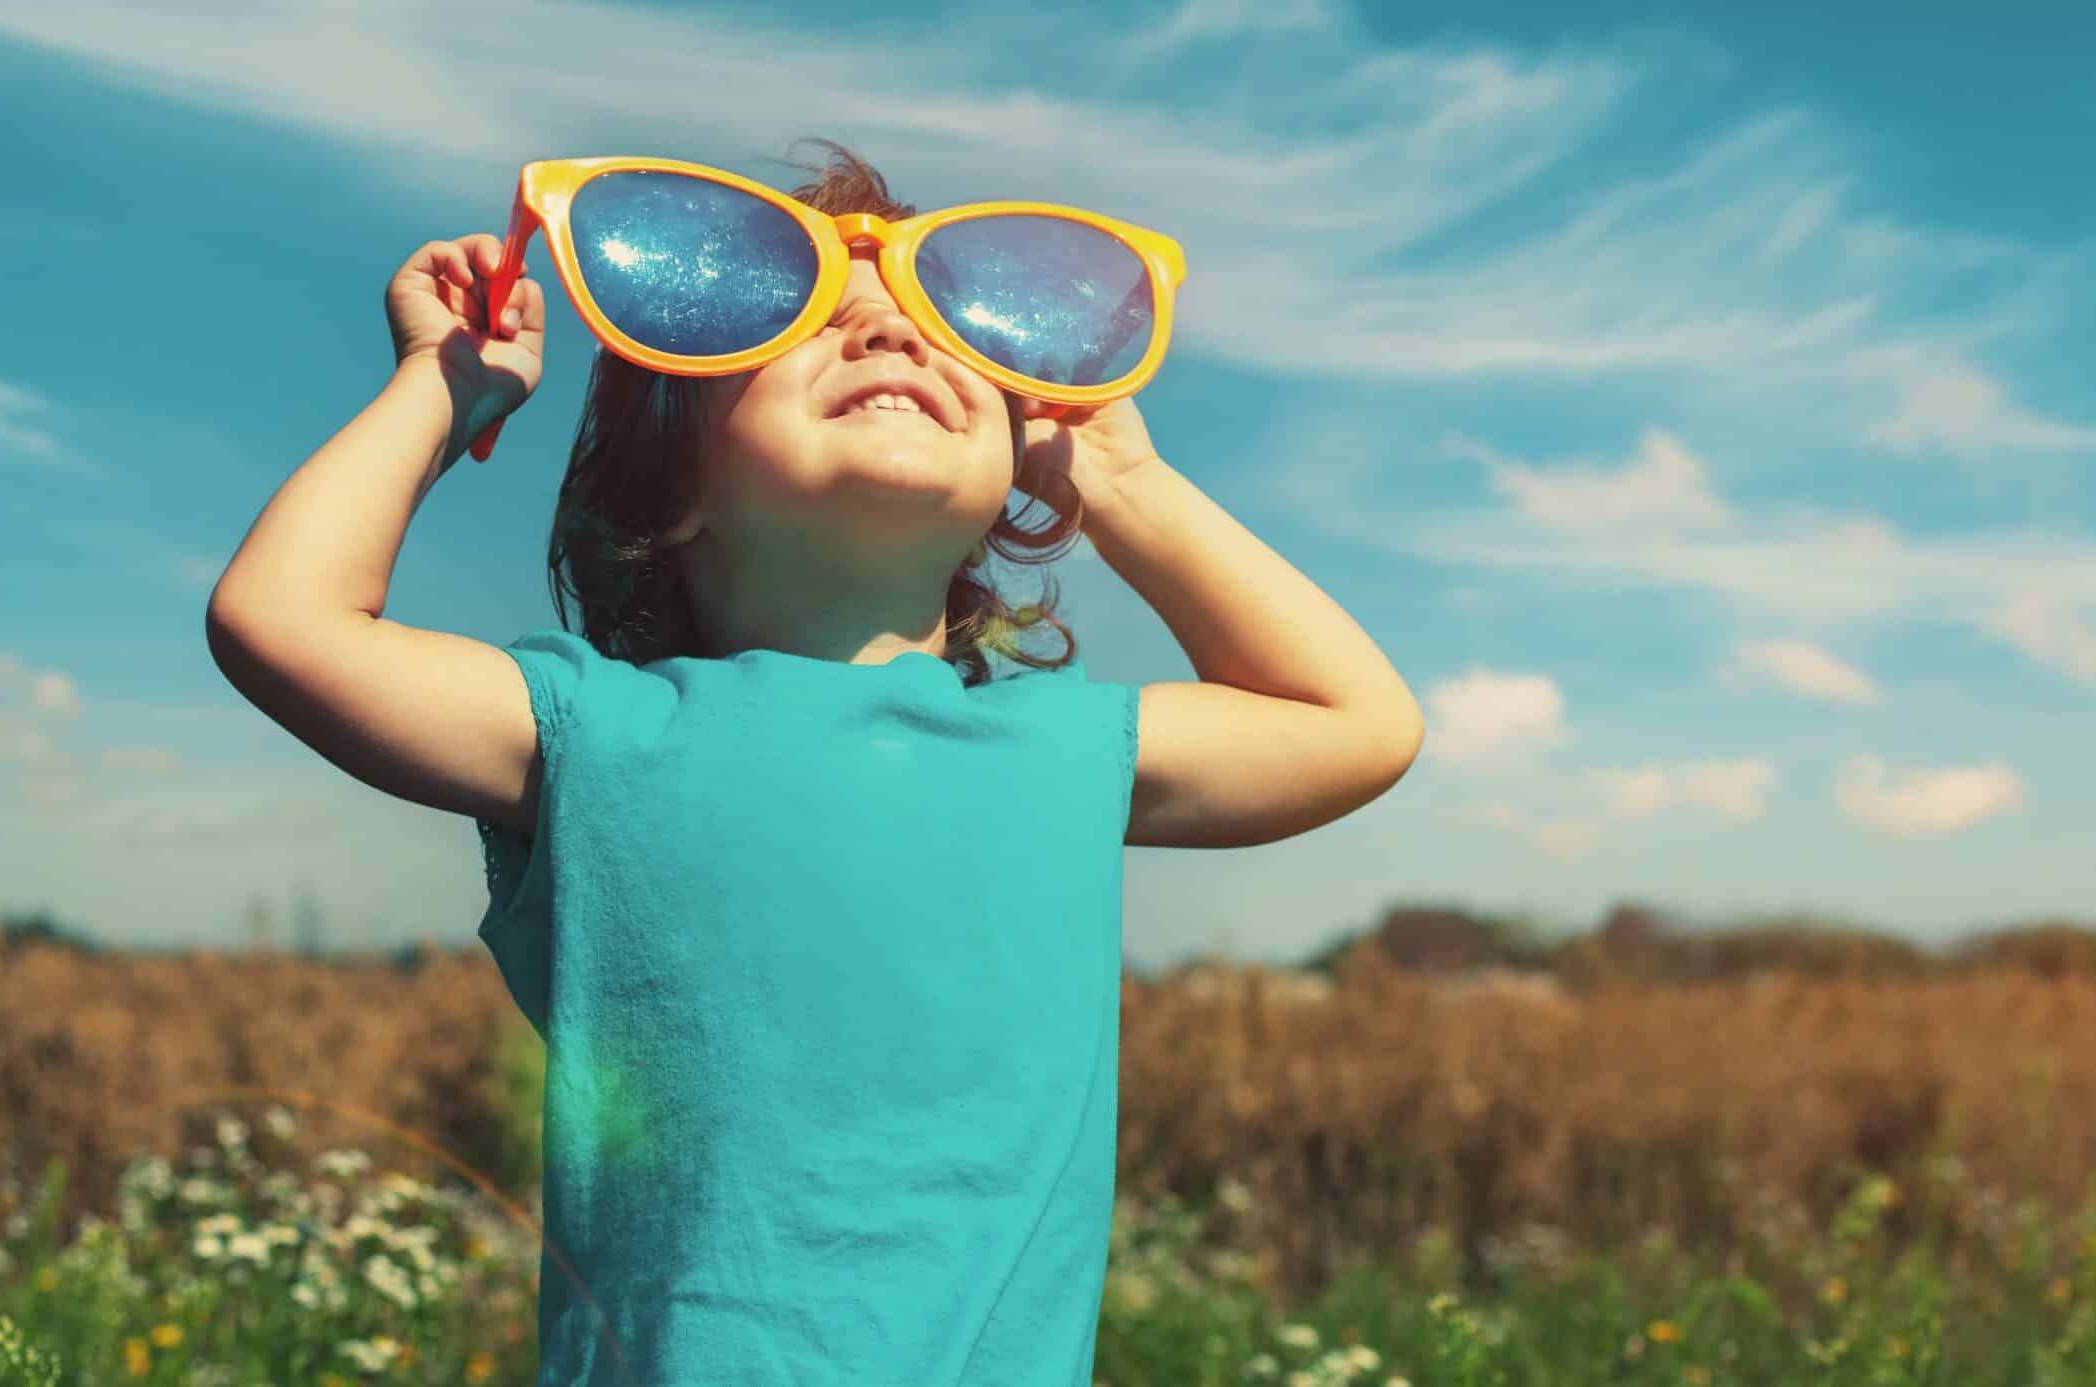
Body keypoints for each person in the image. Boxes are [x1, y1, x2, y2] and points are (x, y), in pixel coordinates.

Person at [203, 139, 1427, 1384]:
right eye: (815, 325)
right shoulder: (601, 729)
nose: (891, 337)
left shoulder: (1059, 746)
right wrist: (445, 383)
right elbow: (282, 623)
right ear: (667, 486)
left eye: (941, 338)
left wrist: (1128, 481)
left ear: (1017, 474)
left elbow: (1358, 723)